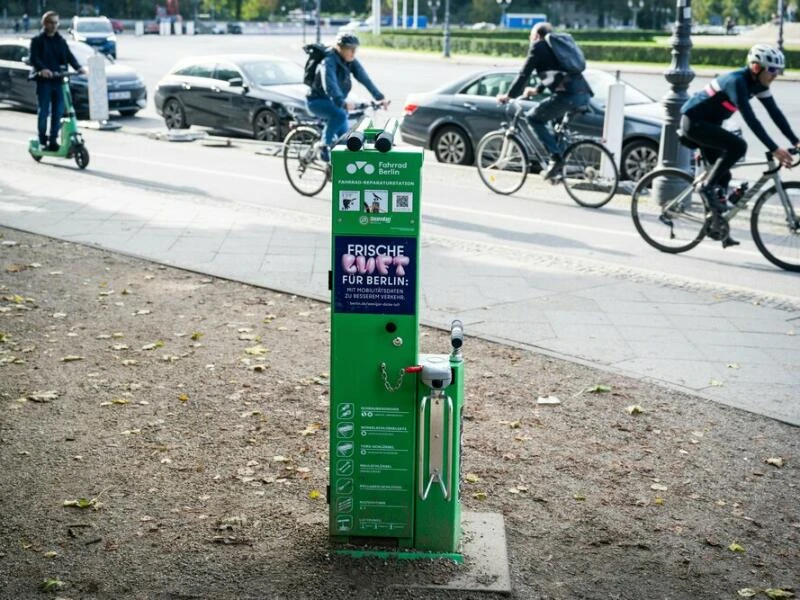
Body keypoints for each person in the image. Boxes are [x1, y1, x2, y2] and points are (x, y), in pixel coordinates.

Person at [680, 44, 799, 245]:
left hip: (710, 124)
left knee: (724, 174)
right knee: (738, 146)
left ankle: (718, 227)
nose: (775, 75)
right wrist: (774, 148)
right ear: (755, 67)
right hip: (694, 123)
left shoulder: (758, 85)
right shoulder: (736, 82)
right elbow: (752, 120)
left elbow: (775, 113)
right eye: (771, 70)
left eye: (778, 71)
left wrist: (795, 140)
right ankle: (706, 187)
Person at [496, 22, 593, 180]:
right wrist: (537, 90)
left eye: (531, 36)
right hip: (583, 94)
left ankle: (555, 159)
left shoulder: (538, 47)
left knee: (533, 118)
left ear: (536, 36)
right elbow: (556, 72)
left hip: (567, 97)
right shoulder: (556, 48)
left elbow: (523, 74)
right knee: (557, 127)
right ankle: (558, 171)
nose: (530, 39)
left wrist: (509, 96)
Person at [306, 32, 389, 162]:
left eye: (355, 49)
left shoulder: (350, 62)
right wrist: (341, 101)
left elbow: (365, 78)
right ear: (340, 48)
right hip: (317, 101)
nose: (354, 52)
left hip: (336, 103)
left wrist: (379, 97)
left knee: (346, 140)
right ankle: (324, 146)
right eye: (351, 49)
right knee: (340, 114)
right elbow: (330, 84)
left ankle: (337, 171)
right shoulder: (328, 61)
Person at [29, 11, 86, 151]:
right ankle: (42, 139)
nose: (54, 25)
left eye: (56, 23)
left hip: (59, 81)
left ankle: (53, 140)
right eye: (51, 22)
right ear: (44, 23)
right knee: (43, 112)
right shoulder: (37, 41)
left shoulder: (61, 41)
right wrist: (43, 69)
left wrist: (79, 68)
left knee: (58, 112)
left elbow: (69, 56)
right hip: (44, 82)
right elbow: (34, 58)